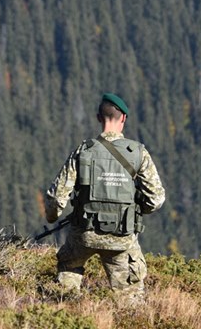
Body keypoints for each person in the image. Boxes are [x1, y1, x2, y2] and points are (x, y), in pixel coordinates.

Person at [44, 92, 165, 301]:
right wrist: (136, 210)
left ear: (99, 117)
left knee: (68, 276)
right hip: (121, 237)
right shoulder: (138, 153)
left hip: (84, 234)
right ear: (124, 119)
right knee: (130, 298)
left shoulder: (83, 151)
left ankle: (66, 313)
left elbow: (57, 197)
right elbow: (155, 199)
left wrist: (52, 218)